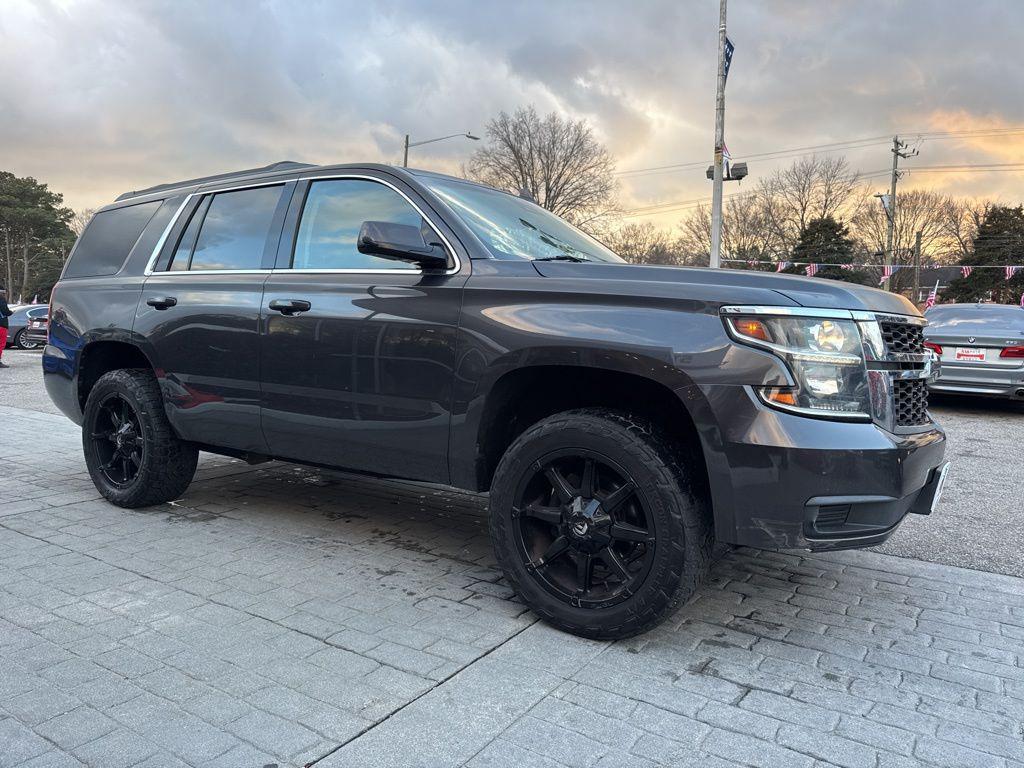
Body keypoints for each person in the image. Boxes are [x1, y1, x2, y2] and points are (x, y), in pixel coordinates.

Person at [0, 285, 12, 368]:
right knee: (1, 343)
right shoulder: (1, 299)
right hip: (1, 324)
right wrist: (11, 312)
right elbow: (5, 311)